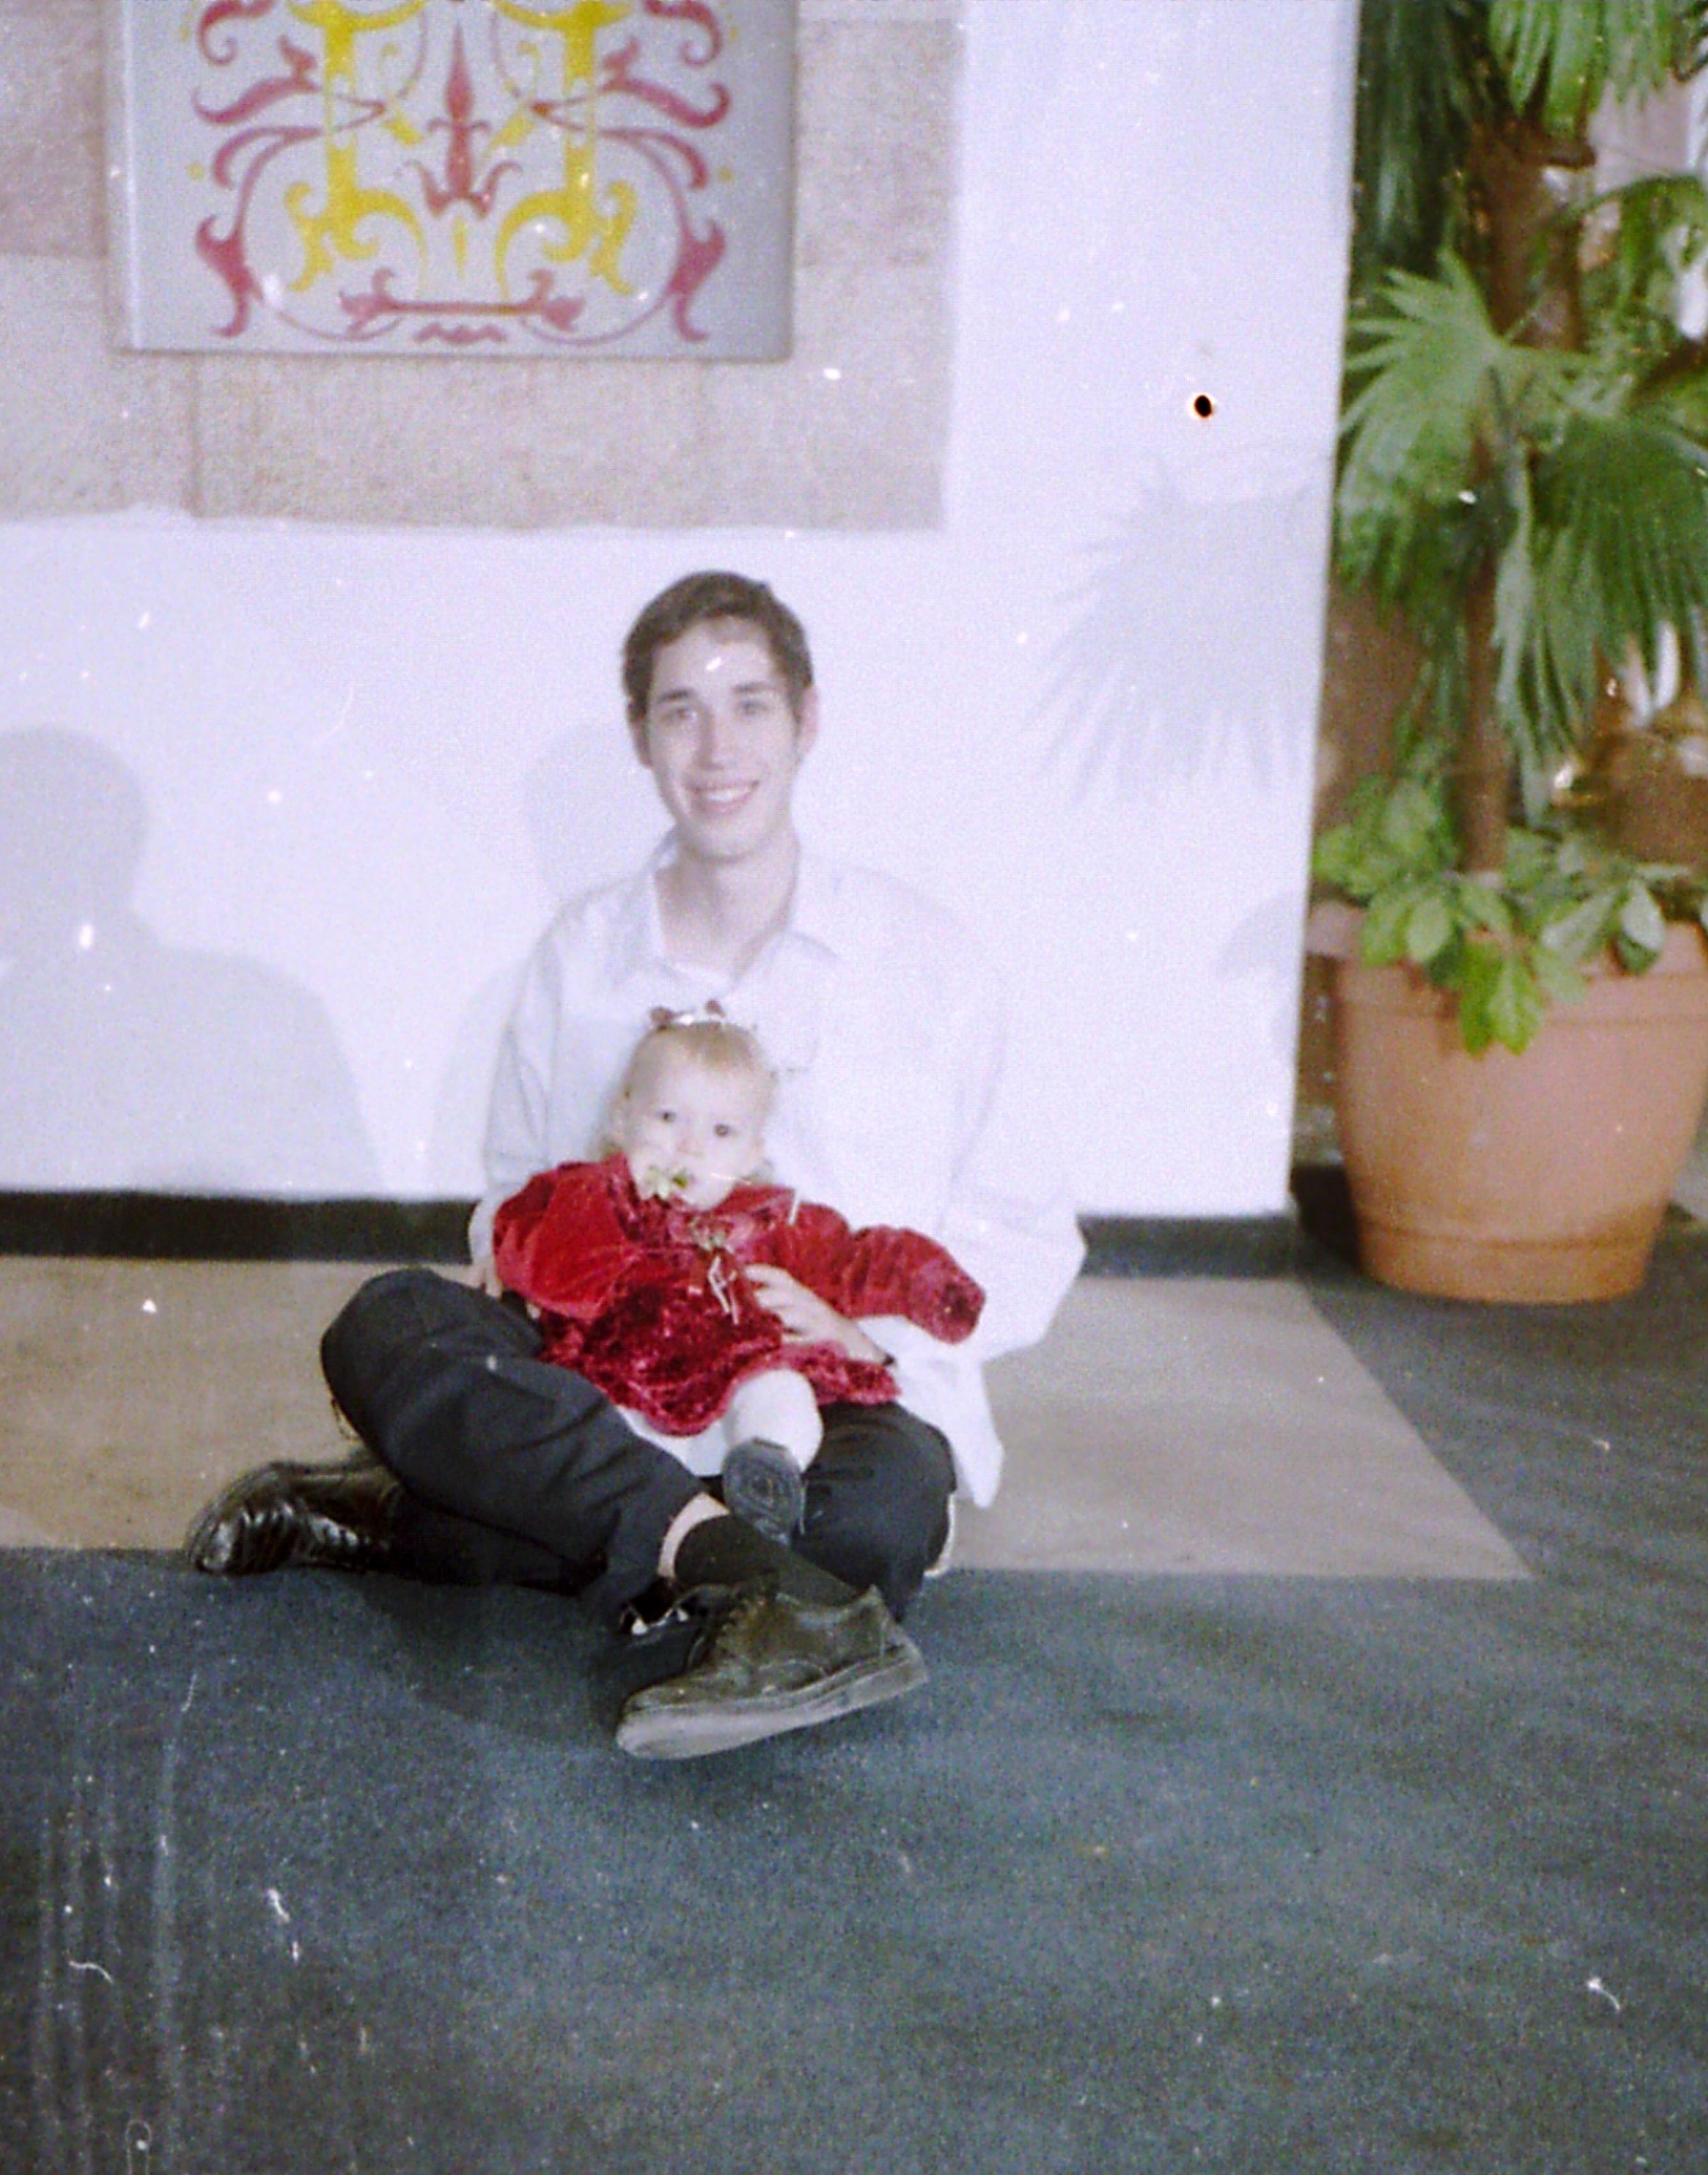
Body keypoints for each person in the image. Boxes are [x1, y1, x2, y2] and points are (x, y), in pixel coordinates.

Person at [186, 570, 1082, 1758]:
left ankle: (418, 1515)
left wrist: (867, 1338)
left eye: (750, 705)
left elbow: (1026, 1228)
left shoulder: (925, 959)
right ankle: (738, 1576)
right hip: (610, 1378)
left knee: (867, 1527)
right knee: (389, 1324)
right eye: (681, 711)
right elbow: (514, 1196)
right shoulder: (582, 956)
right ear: (642, 737)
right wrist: (542, 1265)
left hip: (828, 1400)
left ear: (807, 721)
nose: (718, 749)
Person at [491, 1004, 984, 1547]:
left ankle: (767, 1470)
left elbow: (858, 1259)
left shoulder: (774, 1220)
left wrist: (929, 1284)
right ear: (622, 1118)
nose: (690, 1146)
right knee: (588, 1414)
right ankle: (633, 1505)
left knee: (782, 1388)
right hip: (623, 1382)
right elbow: (542, 1262)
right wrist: (612, 1190)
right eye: (667, 1118)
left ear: (751, 1154)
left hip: (738, 1380)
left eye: (722, 1131)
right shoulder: (586, 1195)